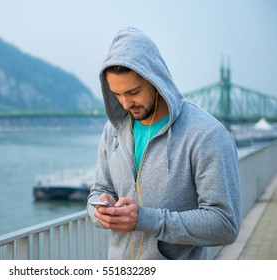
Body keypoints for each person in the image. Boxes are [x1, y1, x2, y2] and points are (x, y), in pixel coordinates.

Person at [87, 27, 240, 260]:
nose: (126, 103)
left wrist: (145, 219)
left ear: (155, 79)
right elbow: (98, 191)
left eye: (133, 92)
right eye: (117, 95)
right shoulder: (112, 131)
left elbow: (225, 224)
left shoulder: (207, 134)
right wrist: (99, 211)